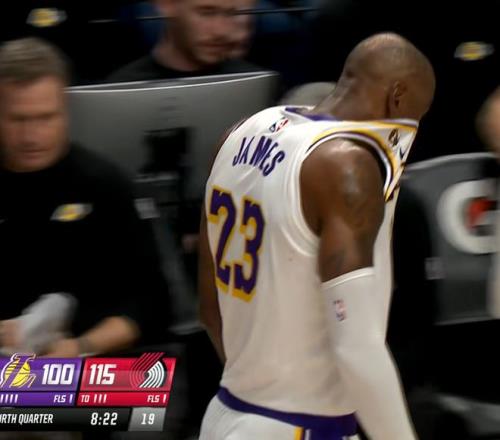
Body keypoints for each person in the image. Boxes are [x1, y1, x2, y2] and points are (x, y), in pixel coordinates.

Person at [198, 32, 435, 439]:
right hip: (301, 425)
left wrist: (261, 386)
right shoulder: (346, 165)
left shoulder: (241, 132)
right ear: (398, 97)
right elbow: (356, 348)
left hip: (226, 412)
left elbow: (208, 305)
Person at [0, 37, 169, 357]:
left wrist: (79, 347)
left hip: (86, 357)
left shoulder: (104, 185)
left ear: (66, 112)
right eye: (18, 119)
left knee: (150, 379)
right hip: (7, 363)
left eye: (45, 118)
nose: (31, 136)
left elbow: (151, 303)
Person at [108, 0, 260, 83]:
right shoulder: (122, 88)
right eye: (206, 13)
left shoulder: (253, 82)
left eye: (231, 13)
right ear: (167, 4)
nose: (221, 31)